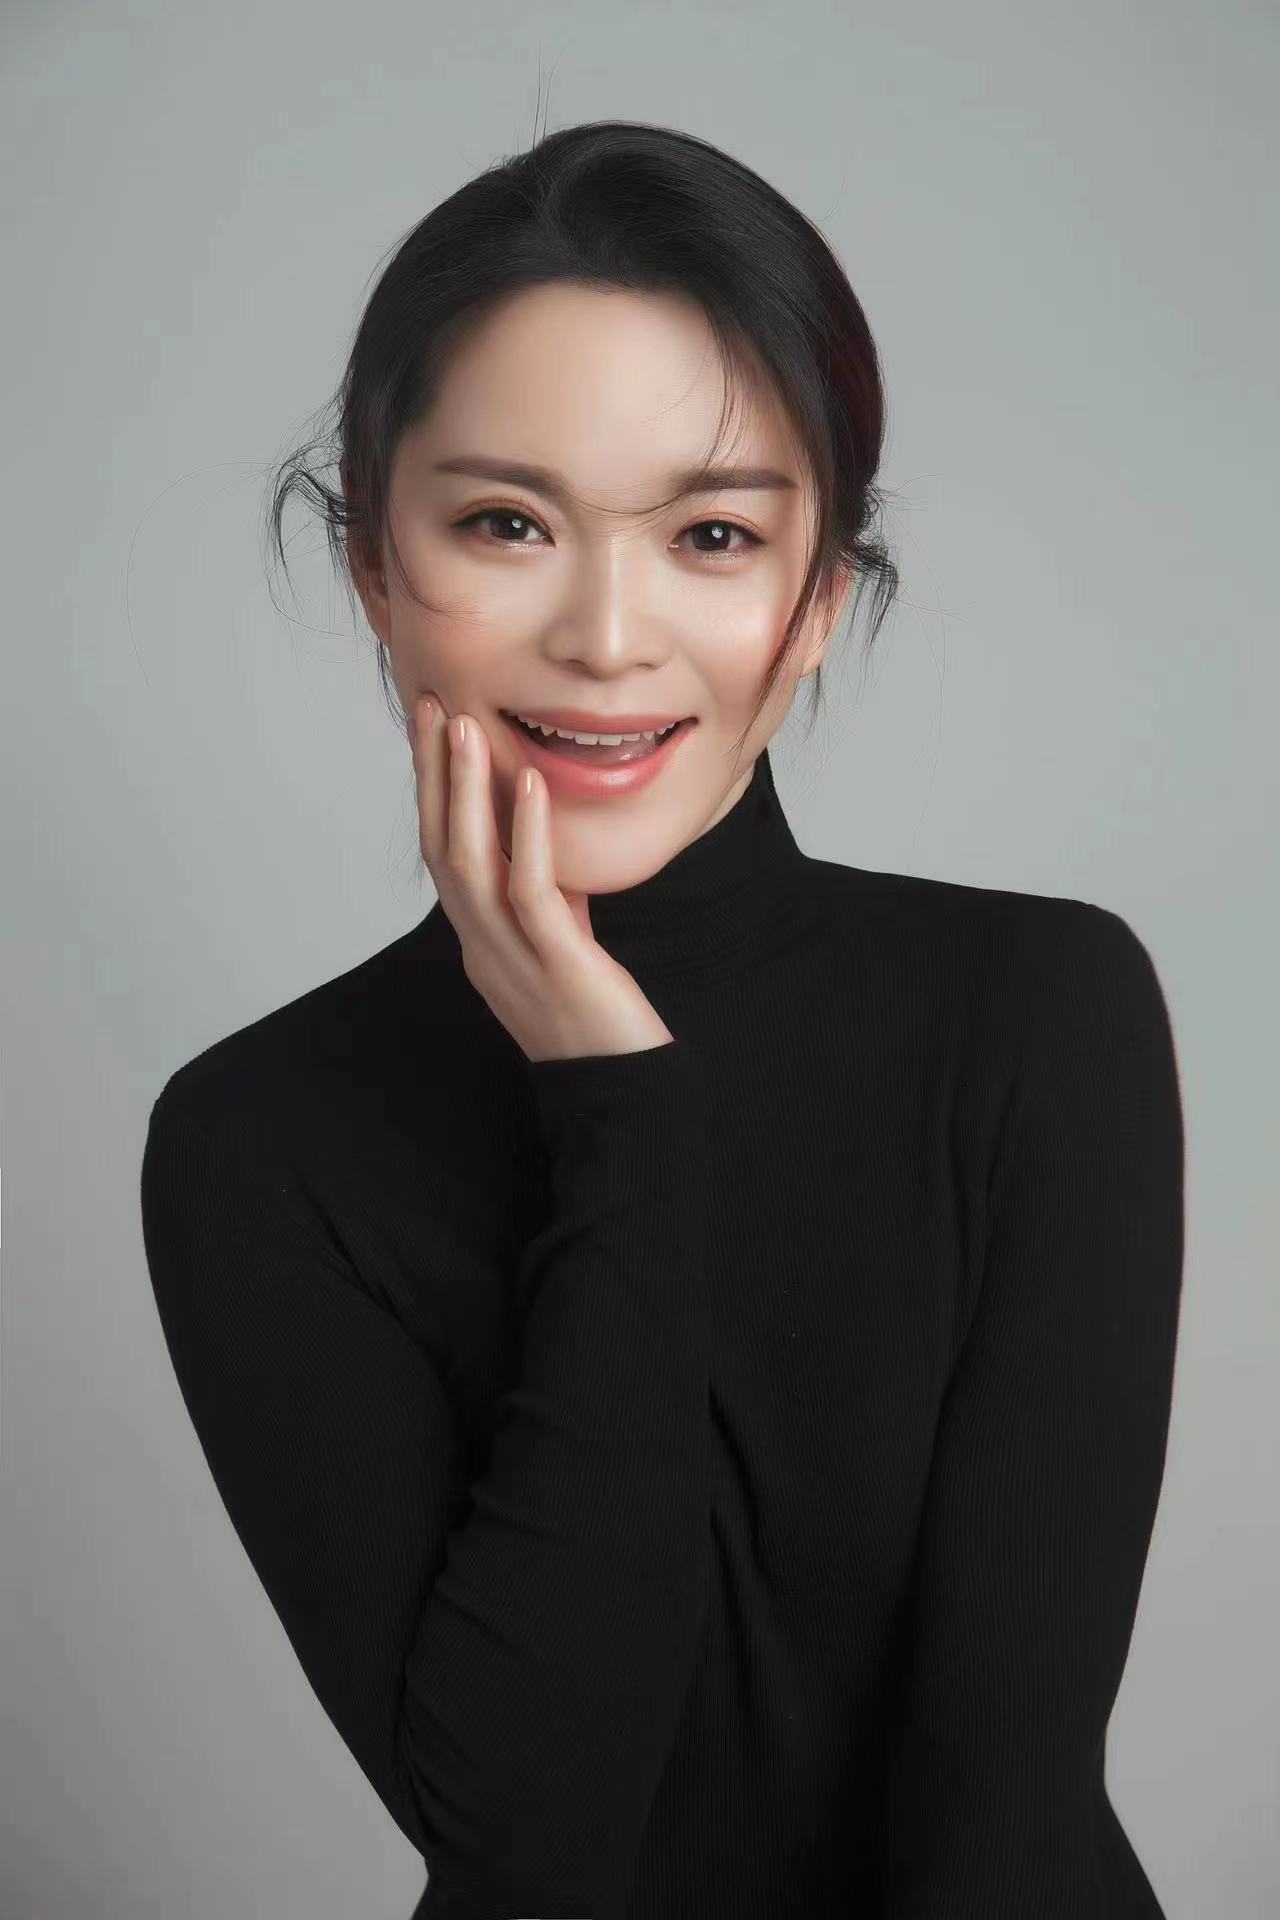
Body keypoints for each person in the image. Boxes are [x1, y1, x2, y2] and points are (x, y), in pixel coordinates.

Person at [139, 119, 1185, 1920]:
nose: (609, 637)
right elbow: (532, 1838)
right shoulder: (262, 1139)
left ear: (818, 597)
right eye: (506, 523)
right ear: (375, 563)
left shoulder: (1033, 1014)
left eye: (712, 534)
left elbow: (1004, 1808)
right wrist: (612, 1104)